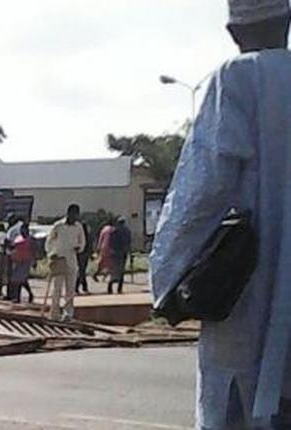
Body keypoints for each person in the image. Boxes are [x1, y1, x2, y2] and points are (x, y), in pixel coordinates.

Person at [150, 1, 291, 426]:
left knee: (245, 399)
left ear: (232, 32)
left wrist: (168, 280)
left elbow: (202, 193)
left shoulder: (237, 79)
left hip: (254, 290)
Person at [44, 204, 86, 321]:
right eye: (73, 214)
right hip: (59, 259)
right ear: (68, 213)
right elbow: (49, 241)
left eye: (76, 215)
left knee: (70, 289)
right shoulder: (58, 226)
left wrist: (79, 247)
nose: (74, 217)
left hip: (72, 260)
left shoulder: (78, 227)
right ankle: (54, 313)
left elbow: (82, 242)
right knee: (57, 288)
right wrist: (51, 254)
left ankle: (68, 313)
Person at [9, 223, 34, 303]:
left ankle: (18, 298)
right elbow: (13, 246)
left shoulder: (30, 239)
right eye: (21, 229)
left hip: (26, 261)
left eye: (24, 229)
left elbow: (34, 250)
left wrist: (34, 261)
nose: (22, 231)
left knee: (19, 279)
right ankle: (29, 294)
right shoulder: (18, 238)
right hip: (17, 260)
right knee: (20, 279)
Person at [108, 217, 131, 294]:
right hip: (123, 253)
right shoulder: (127, 231)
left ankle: (110, 287)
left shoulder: (114, 231)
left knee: (114, 270)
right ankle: (119, 288)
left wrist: (111, 250)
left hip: (115, 253)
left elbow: (110, 242)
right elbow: (129, 242)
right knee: (121, 270)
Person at [92, 219, 115, 283]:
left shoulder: (103, 230)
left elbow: (100, 239)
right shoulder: (112, 230)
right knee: (111, 264)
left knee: (102, 264)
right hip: (109, 248)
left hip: (103, 248)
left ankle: (97, 274)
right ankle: (107, 277)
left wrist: (98, 248)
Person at [75, 220, 92, 294]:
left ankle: (82, 287)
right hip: (84, 254)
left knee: (81, 271)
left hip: (80, 254)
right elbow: (89, 245)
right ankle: (79, 287)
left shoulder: (79, 235)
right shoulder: (86, 235)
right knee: (82, 271)